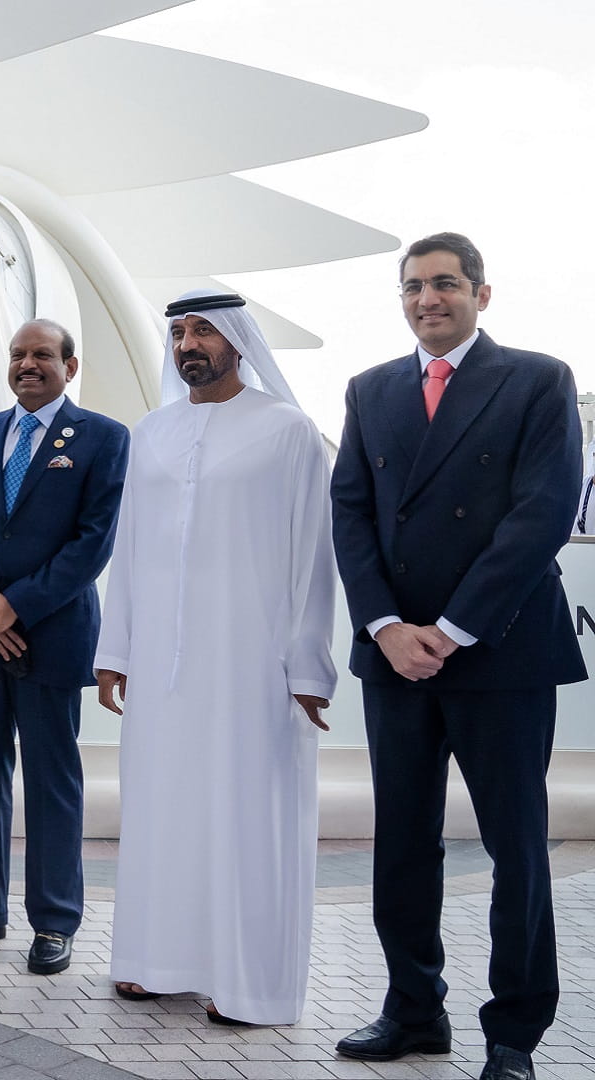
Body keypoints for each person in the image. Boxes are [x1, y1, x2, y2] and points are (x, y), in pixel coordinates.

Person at [330, 233, 583, 1080]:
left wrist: (456, 627)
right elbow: (352, 517)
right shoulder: (370, 390)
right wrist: (386, 628)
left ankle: (513, 1035)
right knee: (401, 841)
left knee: (516, 846)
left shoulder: (538, 379)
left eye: (444, 284)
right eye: (412, 287)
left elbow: (542, 512)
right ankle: (412, 1010)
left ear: (481, 292)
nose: (426, 299)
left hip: (501, 649)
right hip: (397, 656)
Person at [93, 289, 336, 1025]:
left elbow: (312, 560)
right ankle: (155, 961)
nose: (189, 343)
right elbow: (128, 550)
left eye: (204, 330)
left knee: (245, 816)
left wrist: (307, 667)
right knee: (165, 807)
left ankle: (247, 985)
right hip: (164, 673)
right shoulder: (153, 432)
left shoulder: (288, 431)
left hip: (250, 667)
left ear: (237, 340)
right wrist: (116, 650)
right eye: (179, 332)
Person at [0, 319, 126, 972]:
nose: (28, 365)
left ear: (71, 365)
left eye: (42, 355)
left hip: (54, 635)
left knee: (52, 779)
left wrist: (17, 604)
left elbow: (92, 542)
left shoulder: (104, 438)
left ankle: (55, 920)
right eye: (18, 355)